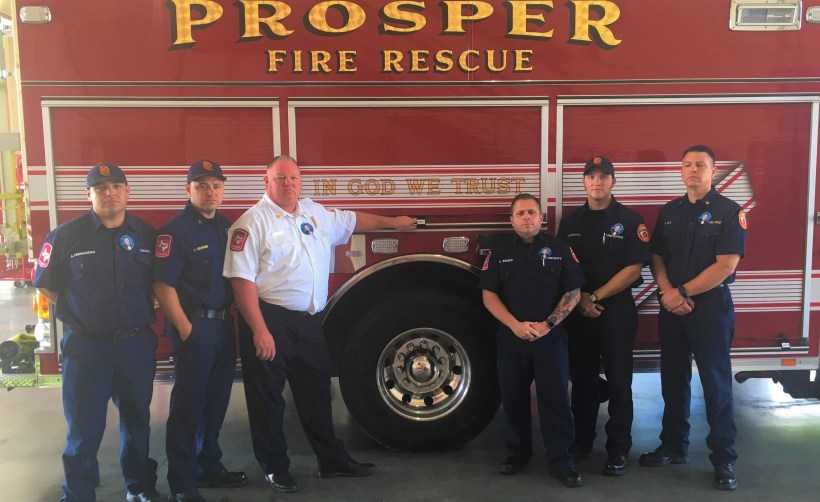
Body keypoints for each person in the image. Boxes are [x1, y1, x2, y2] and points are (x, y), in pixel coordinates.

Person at [222, 155, 417, 493]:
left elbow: (353, 220)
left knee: (316, 393)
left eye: (293, 178)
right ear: (266, 182)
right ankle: (275, 468)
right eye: (280, 178)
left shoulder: (314, 213)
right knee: (268, 400)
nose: (289, 184)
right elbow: (242, 282)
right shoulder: (251, 223)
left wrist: (393, 223)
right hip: (271, 321)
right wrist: (259, 330)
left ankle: (332, 461)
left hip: (310, 322)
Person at [33, 163, 161, 502]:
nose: (109, 192)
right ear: (88, 195)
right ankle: (78, 495)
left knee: (137, 420)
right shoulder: (66, 236)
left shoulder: (146, 235)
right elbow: (44, 283)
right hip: (86, 347)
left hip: (135, 344)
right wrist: (79, 310)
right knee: (84, 427)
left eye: (116, 186)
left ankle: (139, 487)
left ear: (128, 191)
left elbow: (159, 283)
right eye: (101, 187)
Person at [640, 145, 746, 491]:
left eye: (700, 164)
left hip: (711, 308)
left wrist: (681, 292)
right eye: (687, 164)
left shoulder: (729, 211)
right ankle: (674, 445)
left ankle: (724, 458)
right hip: (672, 307)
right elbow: (657, 257)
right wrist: (668, 293)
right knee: (672, 379)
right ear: (681, 171)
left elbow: (726, 265)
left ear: (713, 171)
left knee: (716, 384)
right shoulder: (669, 211)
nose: (693, 170)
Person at [153, 160, 247, 502]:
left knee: (216, 402)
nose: (211, 192)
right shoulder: (174, 231)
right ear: (188, 189)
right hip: (195, 327)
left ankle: (209, 465)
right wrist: (184, 328)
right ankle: (182, 482)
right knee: (188, 407)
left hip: (222, 325)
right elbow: (163, 285)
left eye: (216, 186)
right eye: (202, 185)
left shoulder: (225, 226)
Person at [480, 193, 585, 488]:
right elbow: (489, 295)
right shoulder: (498, 252)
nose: (526, 217)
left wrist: (548, 324)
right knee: (513, 397)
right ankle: (517, 454)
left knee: (556, 399)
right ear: (511, 220)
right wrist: (515, 326)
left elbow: (574, 292)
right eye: (520, 213)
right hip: (512, 336)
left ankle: (562, 460)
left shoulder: (559, 248)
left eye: (531, 212)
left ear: (542, 218)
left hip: (550, 337)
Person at [557, 156, 650, 476]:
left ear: (613, 181)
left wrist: (594, 296)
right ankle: (582, 442)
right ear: (584, 182)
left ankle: (618, 449)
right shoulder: (570, 223)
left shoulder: (630, 220)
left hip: (616, 313)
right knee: (582, 382)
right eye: (591, 176)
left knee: (620, 383)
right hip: (579, 313)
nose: (597, 182)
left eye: (603, 176)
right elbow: (563, 266)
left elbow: (634, 269)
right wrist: (581, 299)